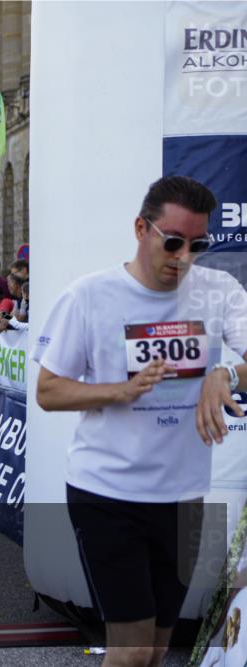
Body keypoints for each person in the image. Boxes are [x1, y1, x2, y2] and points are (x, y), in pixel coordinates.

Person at [34, 176, 247, 667]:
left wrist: (226, 373)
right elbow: (48, 390)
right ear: (140, 228)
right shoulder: (89, 296)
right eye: (173, 242)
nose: (184, 257)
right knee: (130, 652)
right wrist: (120, 391)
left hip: (184, 498)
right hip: (108, 494)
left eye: (198, 245)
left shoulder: (218, 291)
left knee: (155, 650)